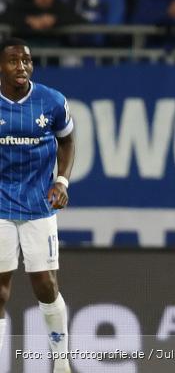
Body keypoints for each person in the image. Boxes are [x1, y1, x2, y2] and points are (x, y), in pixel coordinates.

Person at [0, 37, 74, 373]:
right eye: (14, 61)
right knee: (0, 290)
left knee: (45, 285)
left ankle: (60, 360)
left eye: (27, 61)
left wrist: (61, 181)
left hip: (38, 204)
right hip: (0, 205)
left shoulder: (52, 101)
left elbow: (68, 139)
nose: (22, 67)